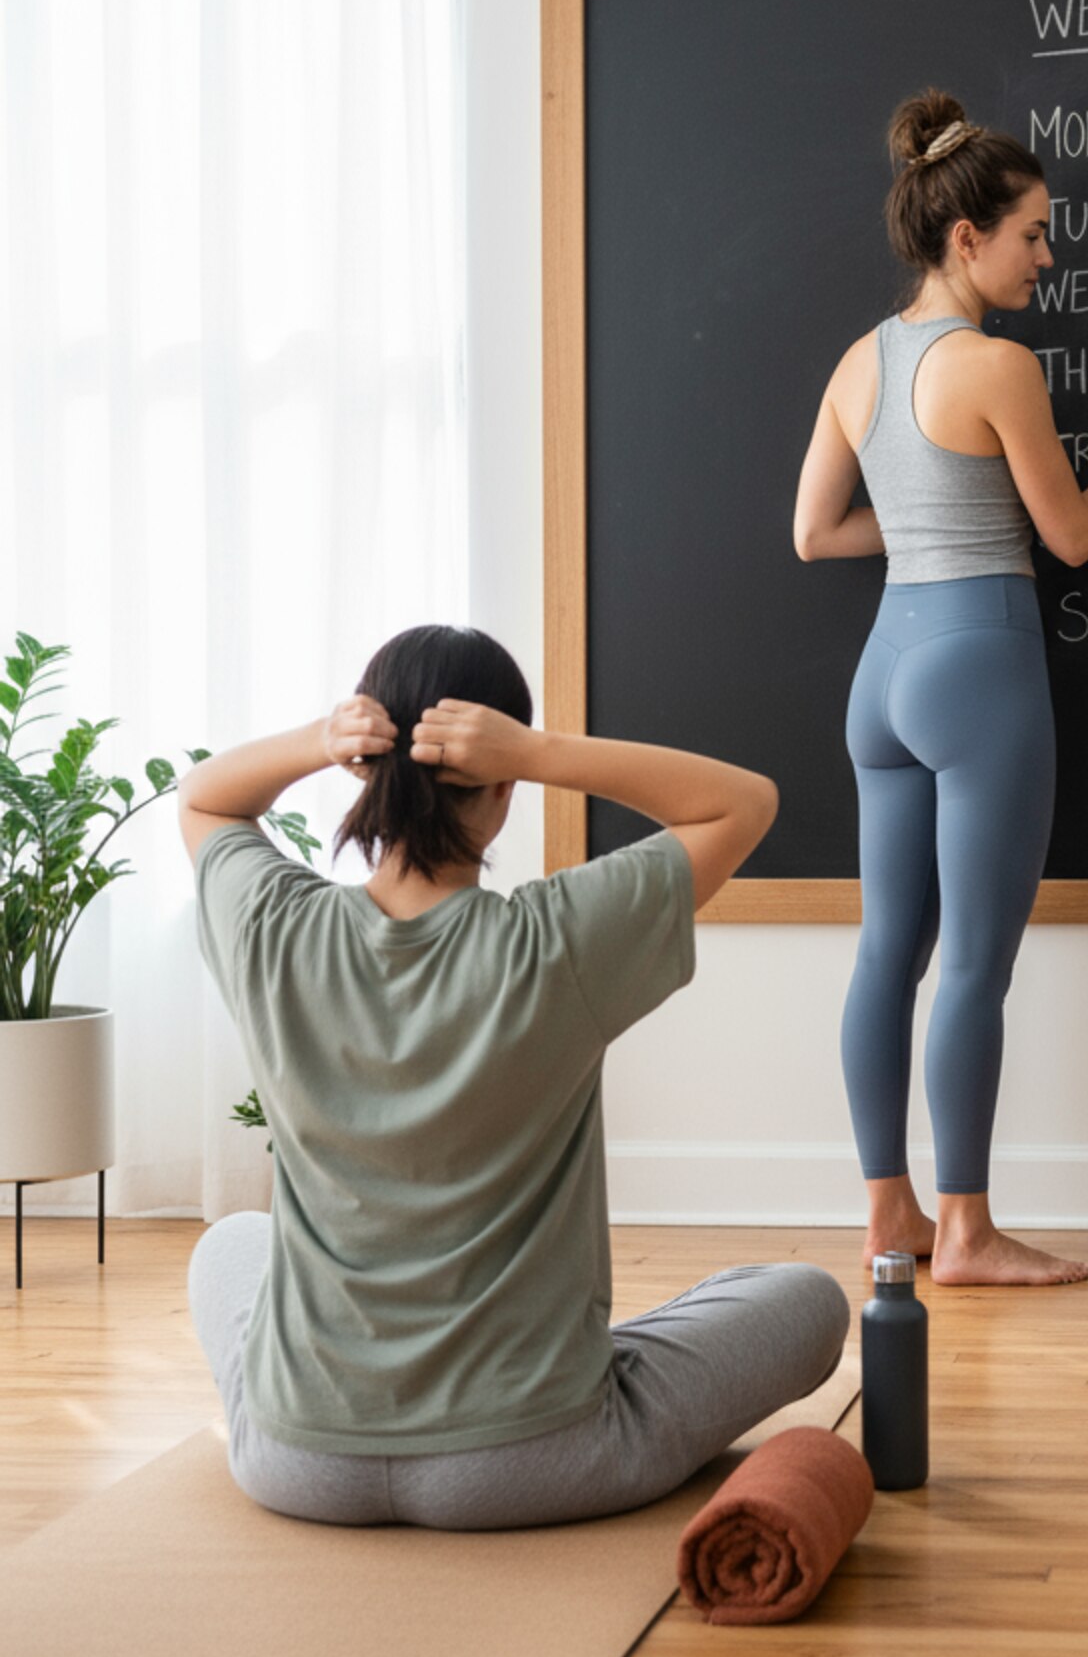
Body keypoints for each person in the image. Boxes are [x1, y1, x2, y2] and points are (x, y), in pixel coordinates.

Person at [178, 624, 849, 1528]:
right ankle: (535, 1369)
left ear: (365, 771)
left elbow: (204, 802)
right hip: (532, 1461)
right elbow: (744, 804)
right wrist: (540, 753)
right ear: (502, 791)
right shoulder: (557, 940)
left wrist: (321, 739)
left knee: (229, 1243)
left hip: (299, 1459)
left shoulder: (275, 929)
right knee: (807, 1301)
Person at [793, 88, 1088, 1286]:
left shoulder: (859, 362)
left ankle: (886, 1216)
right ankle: (963, 1230)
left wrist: (922, 519)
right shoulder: (997, 367)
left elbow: (814, 532)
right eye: (1031, 233)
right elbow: (1067, 538)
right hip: (979, 661)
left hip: (887, 668)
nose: (1045, 256)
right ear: (967, 238)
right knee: (970, 965)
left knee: (884, 952)